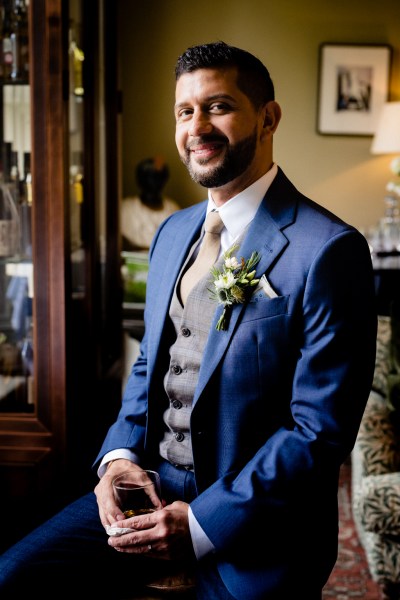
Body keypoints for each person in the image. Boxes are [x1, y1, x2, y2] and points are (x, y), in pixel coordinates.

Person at [0, 41, 377, 600]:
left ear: (267, 118)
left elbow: (317, 432)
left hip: (253, 525)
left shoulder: (329, 249)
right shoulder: (172, 233)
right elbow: (152, 360)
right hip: (150, 489)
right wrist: (119, 460)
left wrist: (200, 527)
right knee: (16, 576)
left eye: (218, 106)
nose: (196, 126)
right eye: (185, 111)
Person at [121, 155, 180, 251]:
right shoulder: (126, 208)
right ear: (140, 180)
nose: (154, 182)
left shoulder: (172, 209)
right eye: (150, 176)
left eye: (159, 177)